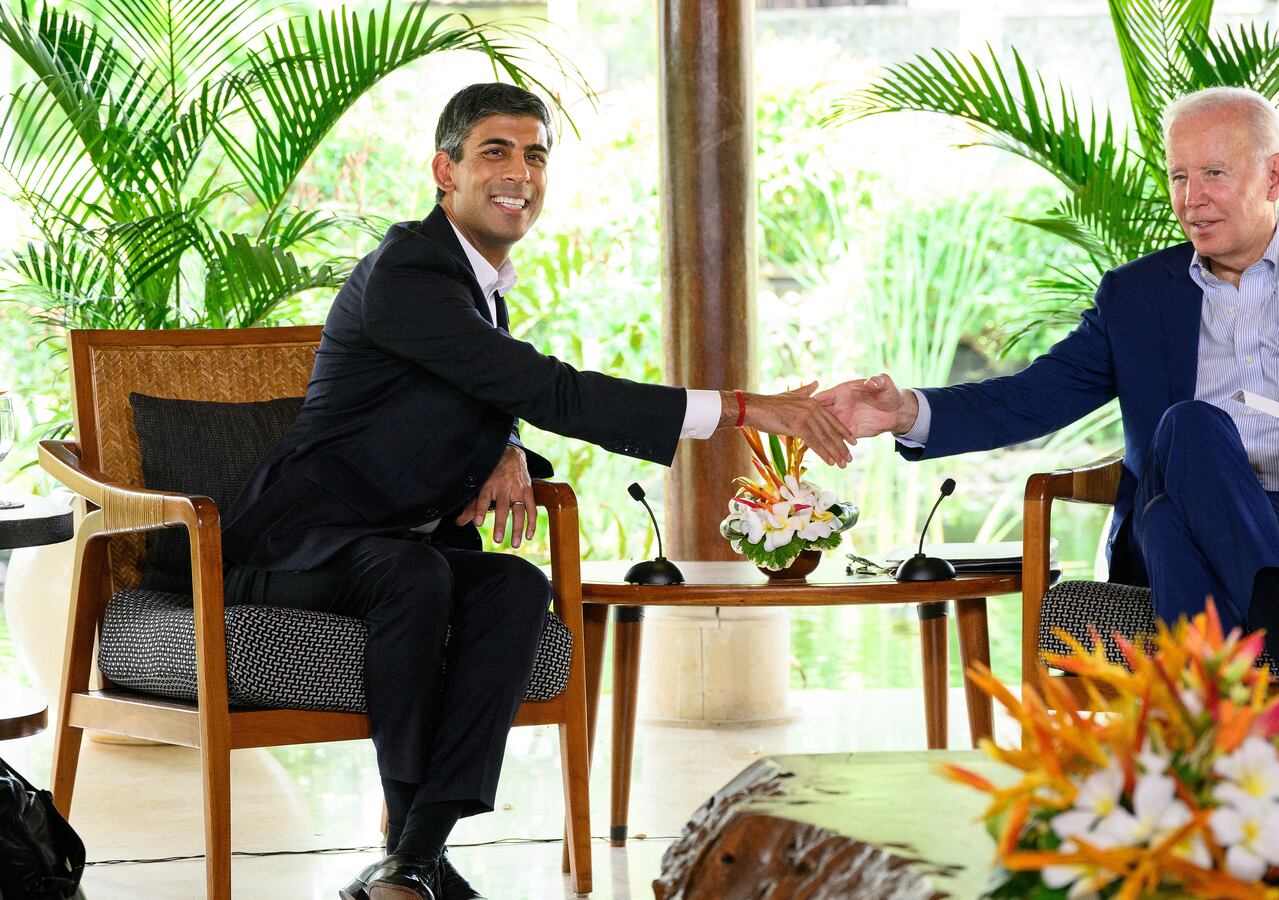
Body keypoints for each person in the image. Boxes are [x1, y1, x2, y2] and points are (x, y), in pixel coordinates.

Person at [221, 83, 853, 900]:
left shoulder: (475, 285)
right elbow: (546, 386)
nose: (521, 171)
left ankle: (415, 854)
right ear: (443, 170)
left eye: (536, 154)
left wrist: (509, 446)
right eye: (496, 151)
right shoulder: (410, 268)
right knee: (418, 577)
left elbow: (482, 388)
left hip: (394, 546)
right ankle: (409, 864)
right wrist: (743, 408)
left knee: (516, 586)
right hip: (293, 545)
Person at [819, 86, 1279, 735]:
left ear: (1273, 177)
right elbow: (1030, 397)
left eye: (1212, 173)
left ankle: (1199, 779)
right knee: (1192, 426)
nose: (1191, 199)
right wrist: (905, 410)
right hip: (1189, 533)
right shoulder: (1137, 295)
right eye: (1178, 177)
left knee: (1174, 511)